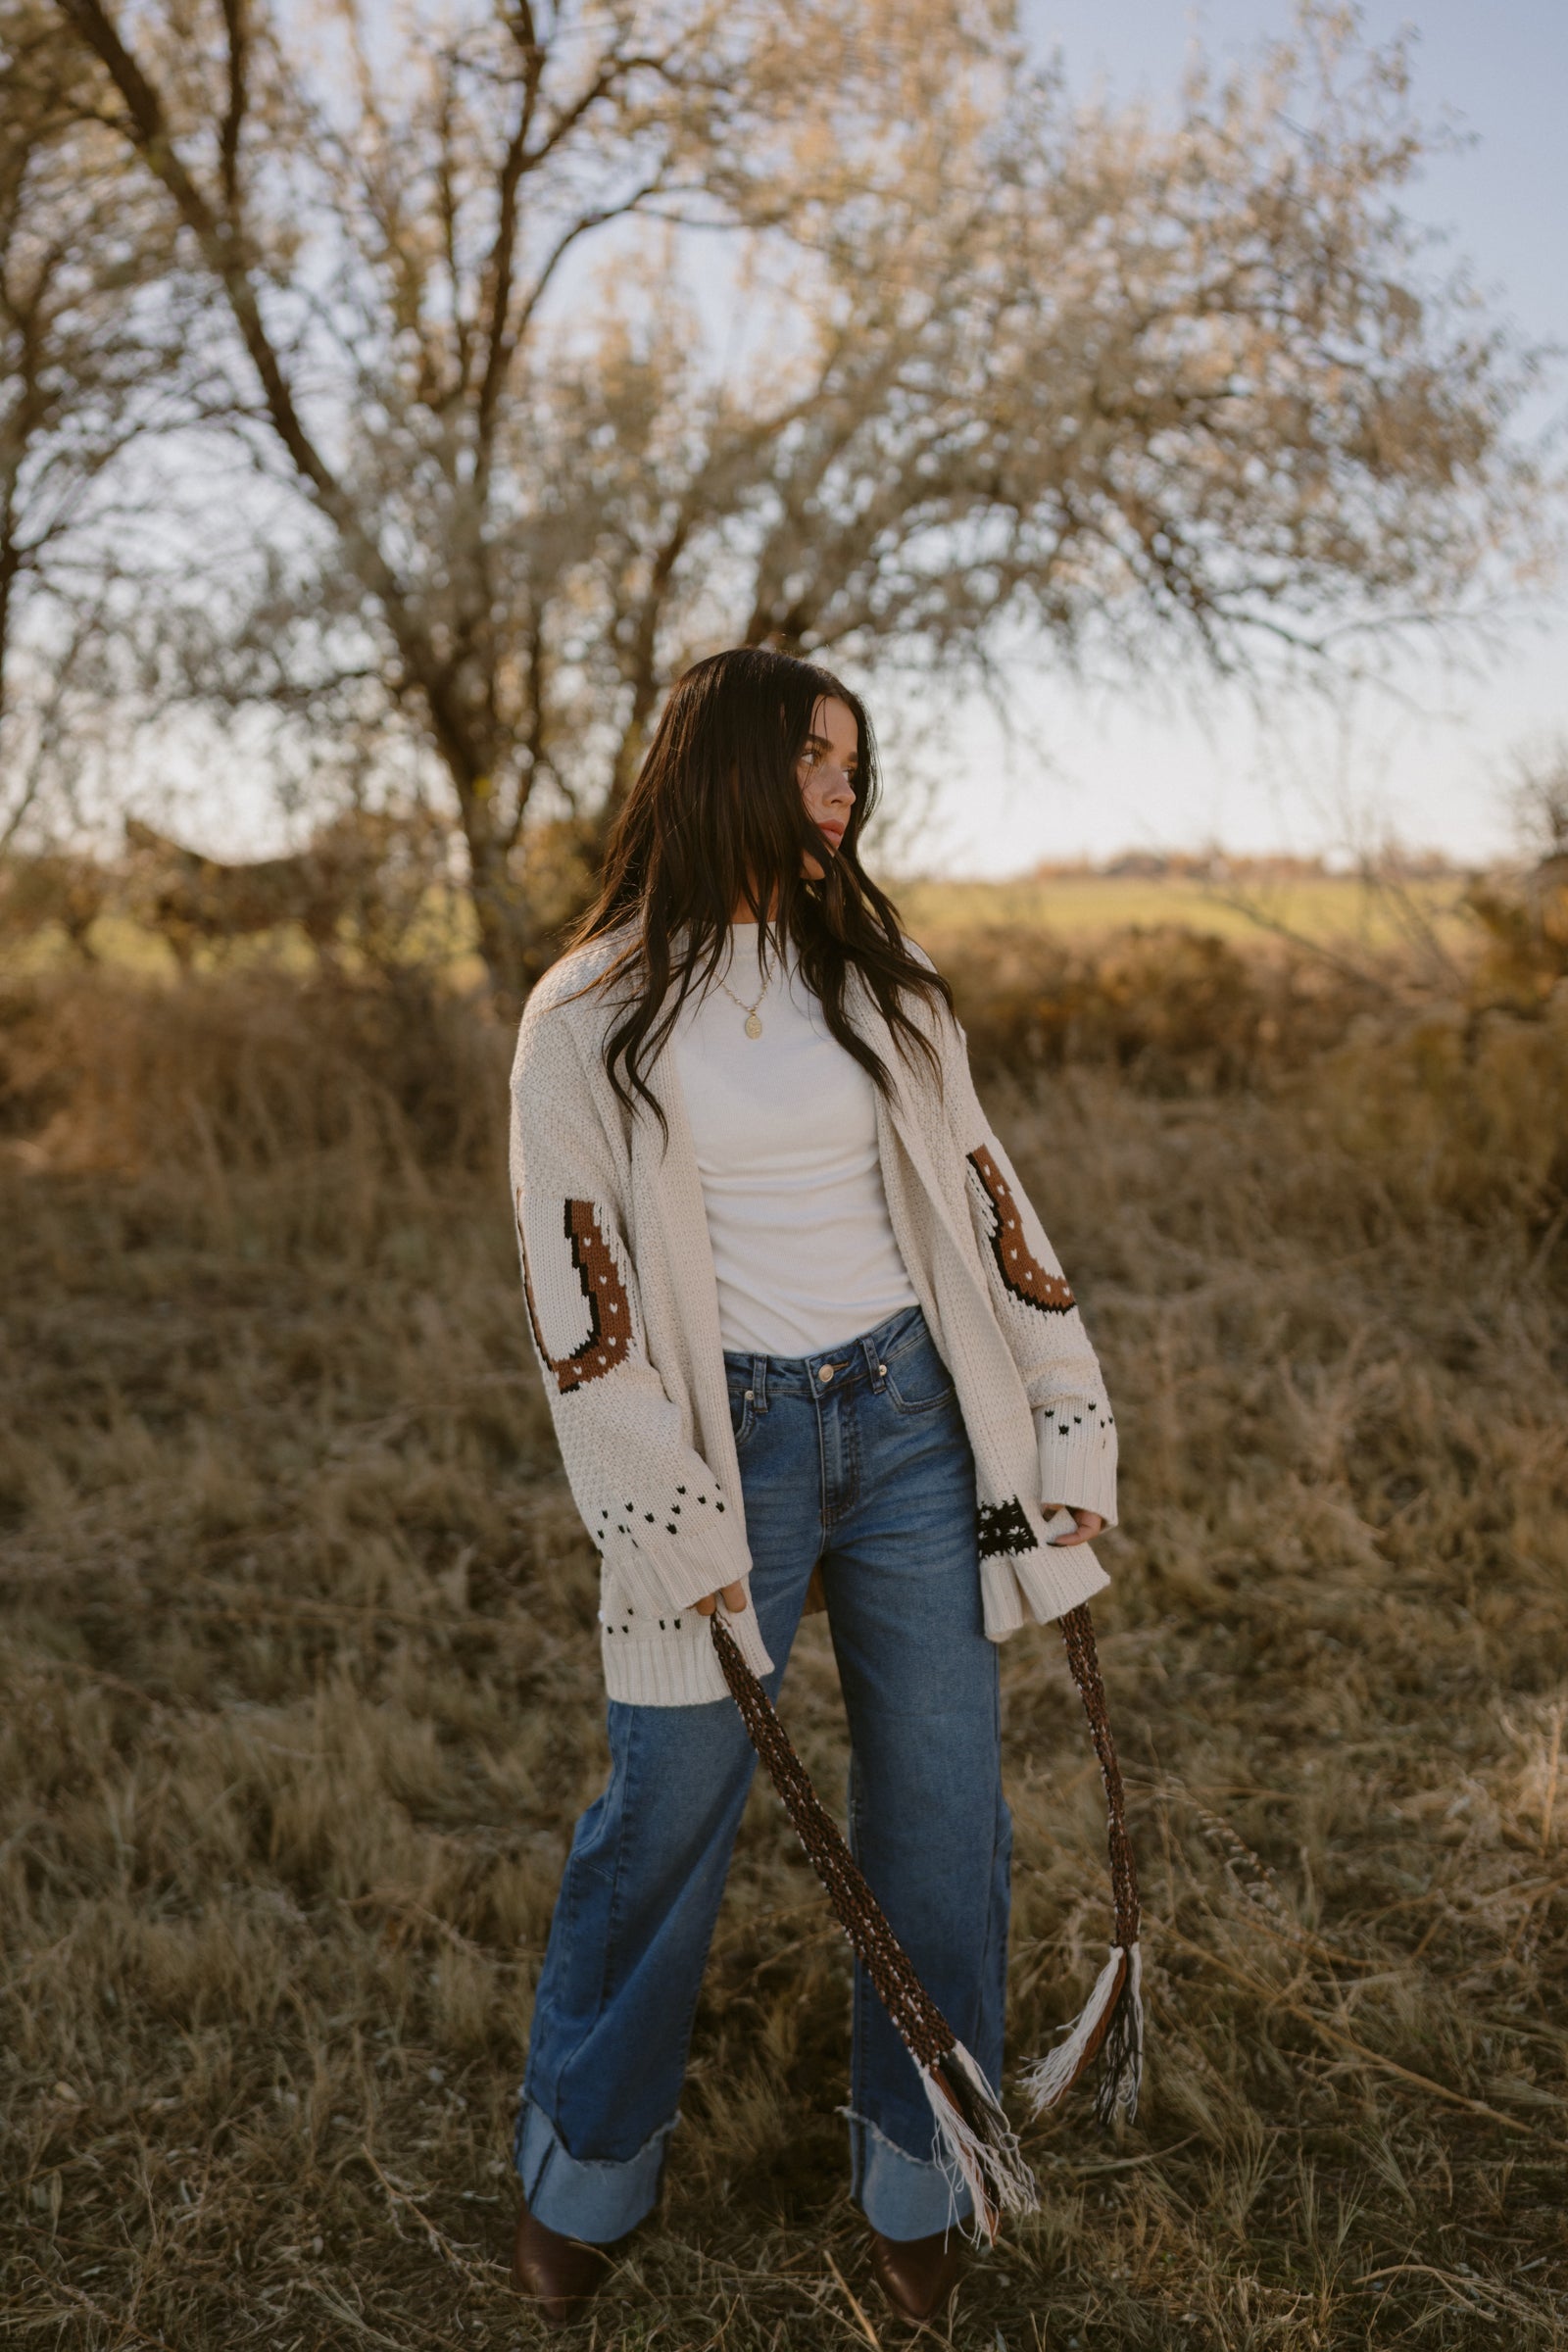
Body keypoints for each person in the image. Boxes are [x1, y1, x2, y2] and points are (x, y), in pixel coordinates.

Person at [506, 647, 1118, 2328]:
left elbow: (994, 1204)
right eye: (814, 760)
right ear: (724, 770)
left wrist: (1061, 1423)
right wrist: (666, 1512)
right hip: (730, 1447)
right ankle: (588, 2164)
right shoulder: (592, 1014)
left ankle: (925, 2176)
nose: (845, 789)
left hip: (919, 1423)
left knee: (941, 1818)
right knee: (666, 1817)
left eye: (857, 763)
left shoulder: (885, 976)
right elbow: (580, 1308)